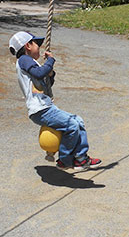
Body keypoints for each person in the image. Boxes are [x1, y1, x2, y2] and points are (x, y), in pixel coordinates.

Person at [9, 31, 102, 171]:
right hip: (40, 110)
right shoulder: (24, 60)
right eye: (36, 44)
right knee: (71, 125)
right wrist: (51, 61)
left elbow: (44, 84)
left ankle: (81, 158)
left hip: (46, 107)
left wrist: (50, 74)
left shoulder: (31, 63)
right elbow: (39, 73)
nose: (39, 47)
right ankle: (65, 160)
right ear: (28, 46)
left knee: (78, 121)